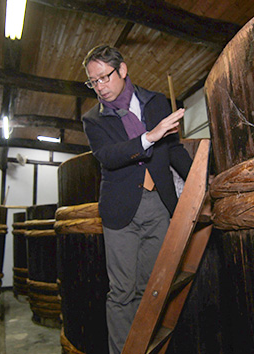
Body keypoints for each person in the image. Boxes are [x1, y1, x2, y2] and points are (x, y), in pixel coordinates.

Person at [81, 45, 193, 354]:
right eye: (94, 81)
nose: (101, 87)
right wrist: (148, 137)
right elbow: (107, 156)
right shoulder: (94, 119)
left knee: (150, 288)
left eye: (105, 77)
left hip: (158, 204)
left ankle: (148, 348)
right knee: (122, 292)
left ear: (123, 69)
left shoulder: (155, 101)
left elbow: (172, 150)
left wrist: (201, 181)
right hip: (120, 211)